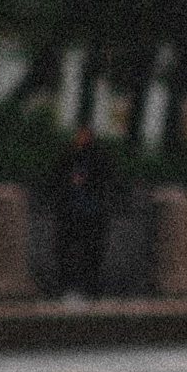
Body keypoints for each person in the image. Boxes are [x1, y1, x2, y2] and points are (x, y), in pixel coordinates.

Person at [50, 119, 115, 298]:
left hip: (92, 212)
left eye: (83, 135)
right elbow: (56, 178)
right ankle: (68, 286)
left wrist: (85, 181)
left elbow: (105, 181)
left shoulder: (98, 157)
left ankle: (91, 287)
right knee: (67, 251)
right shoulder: (68, 156)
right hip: (71, 211)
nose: (78, 138)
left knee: (91, 252)